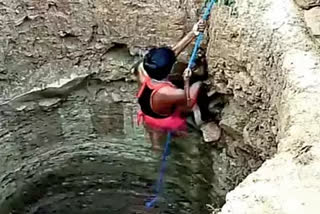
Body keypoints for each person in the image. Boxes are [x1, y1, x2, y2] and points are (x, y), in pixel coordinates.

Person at [131, 19, 214, 150]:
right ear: (169, 69)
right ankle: (202, 120)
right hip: (164, 119)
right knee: (197, 85)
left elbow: (171, 55)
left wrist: (193, 33)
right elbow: (188, 101)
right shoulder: (168, 92)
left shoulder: (144, 70)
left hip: (148, 115)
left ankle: (156, 150)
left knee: (156, 144)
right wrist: (187, 80)